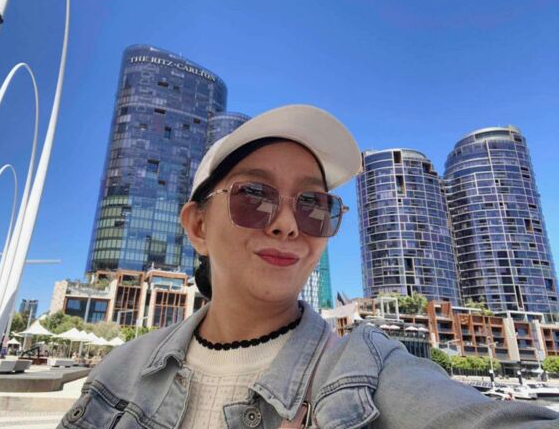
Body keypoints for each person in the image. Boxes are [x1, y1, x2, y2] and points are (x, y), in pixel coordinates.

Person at [58, 105, 559, 428]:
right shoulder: (121, 372)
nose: (286, 225)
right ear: (197, 225)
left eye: (313, 204)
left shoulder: (368, 370)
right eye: (254, 195)